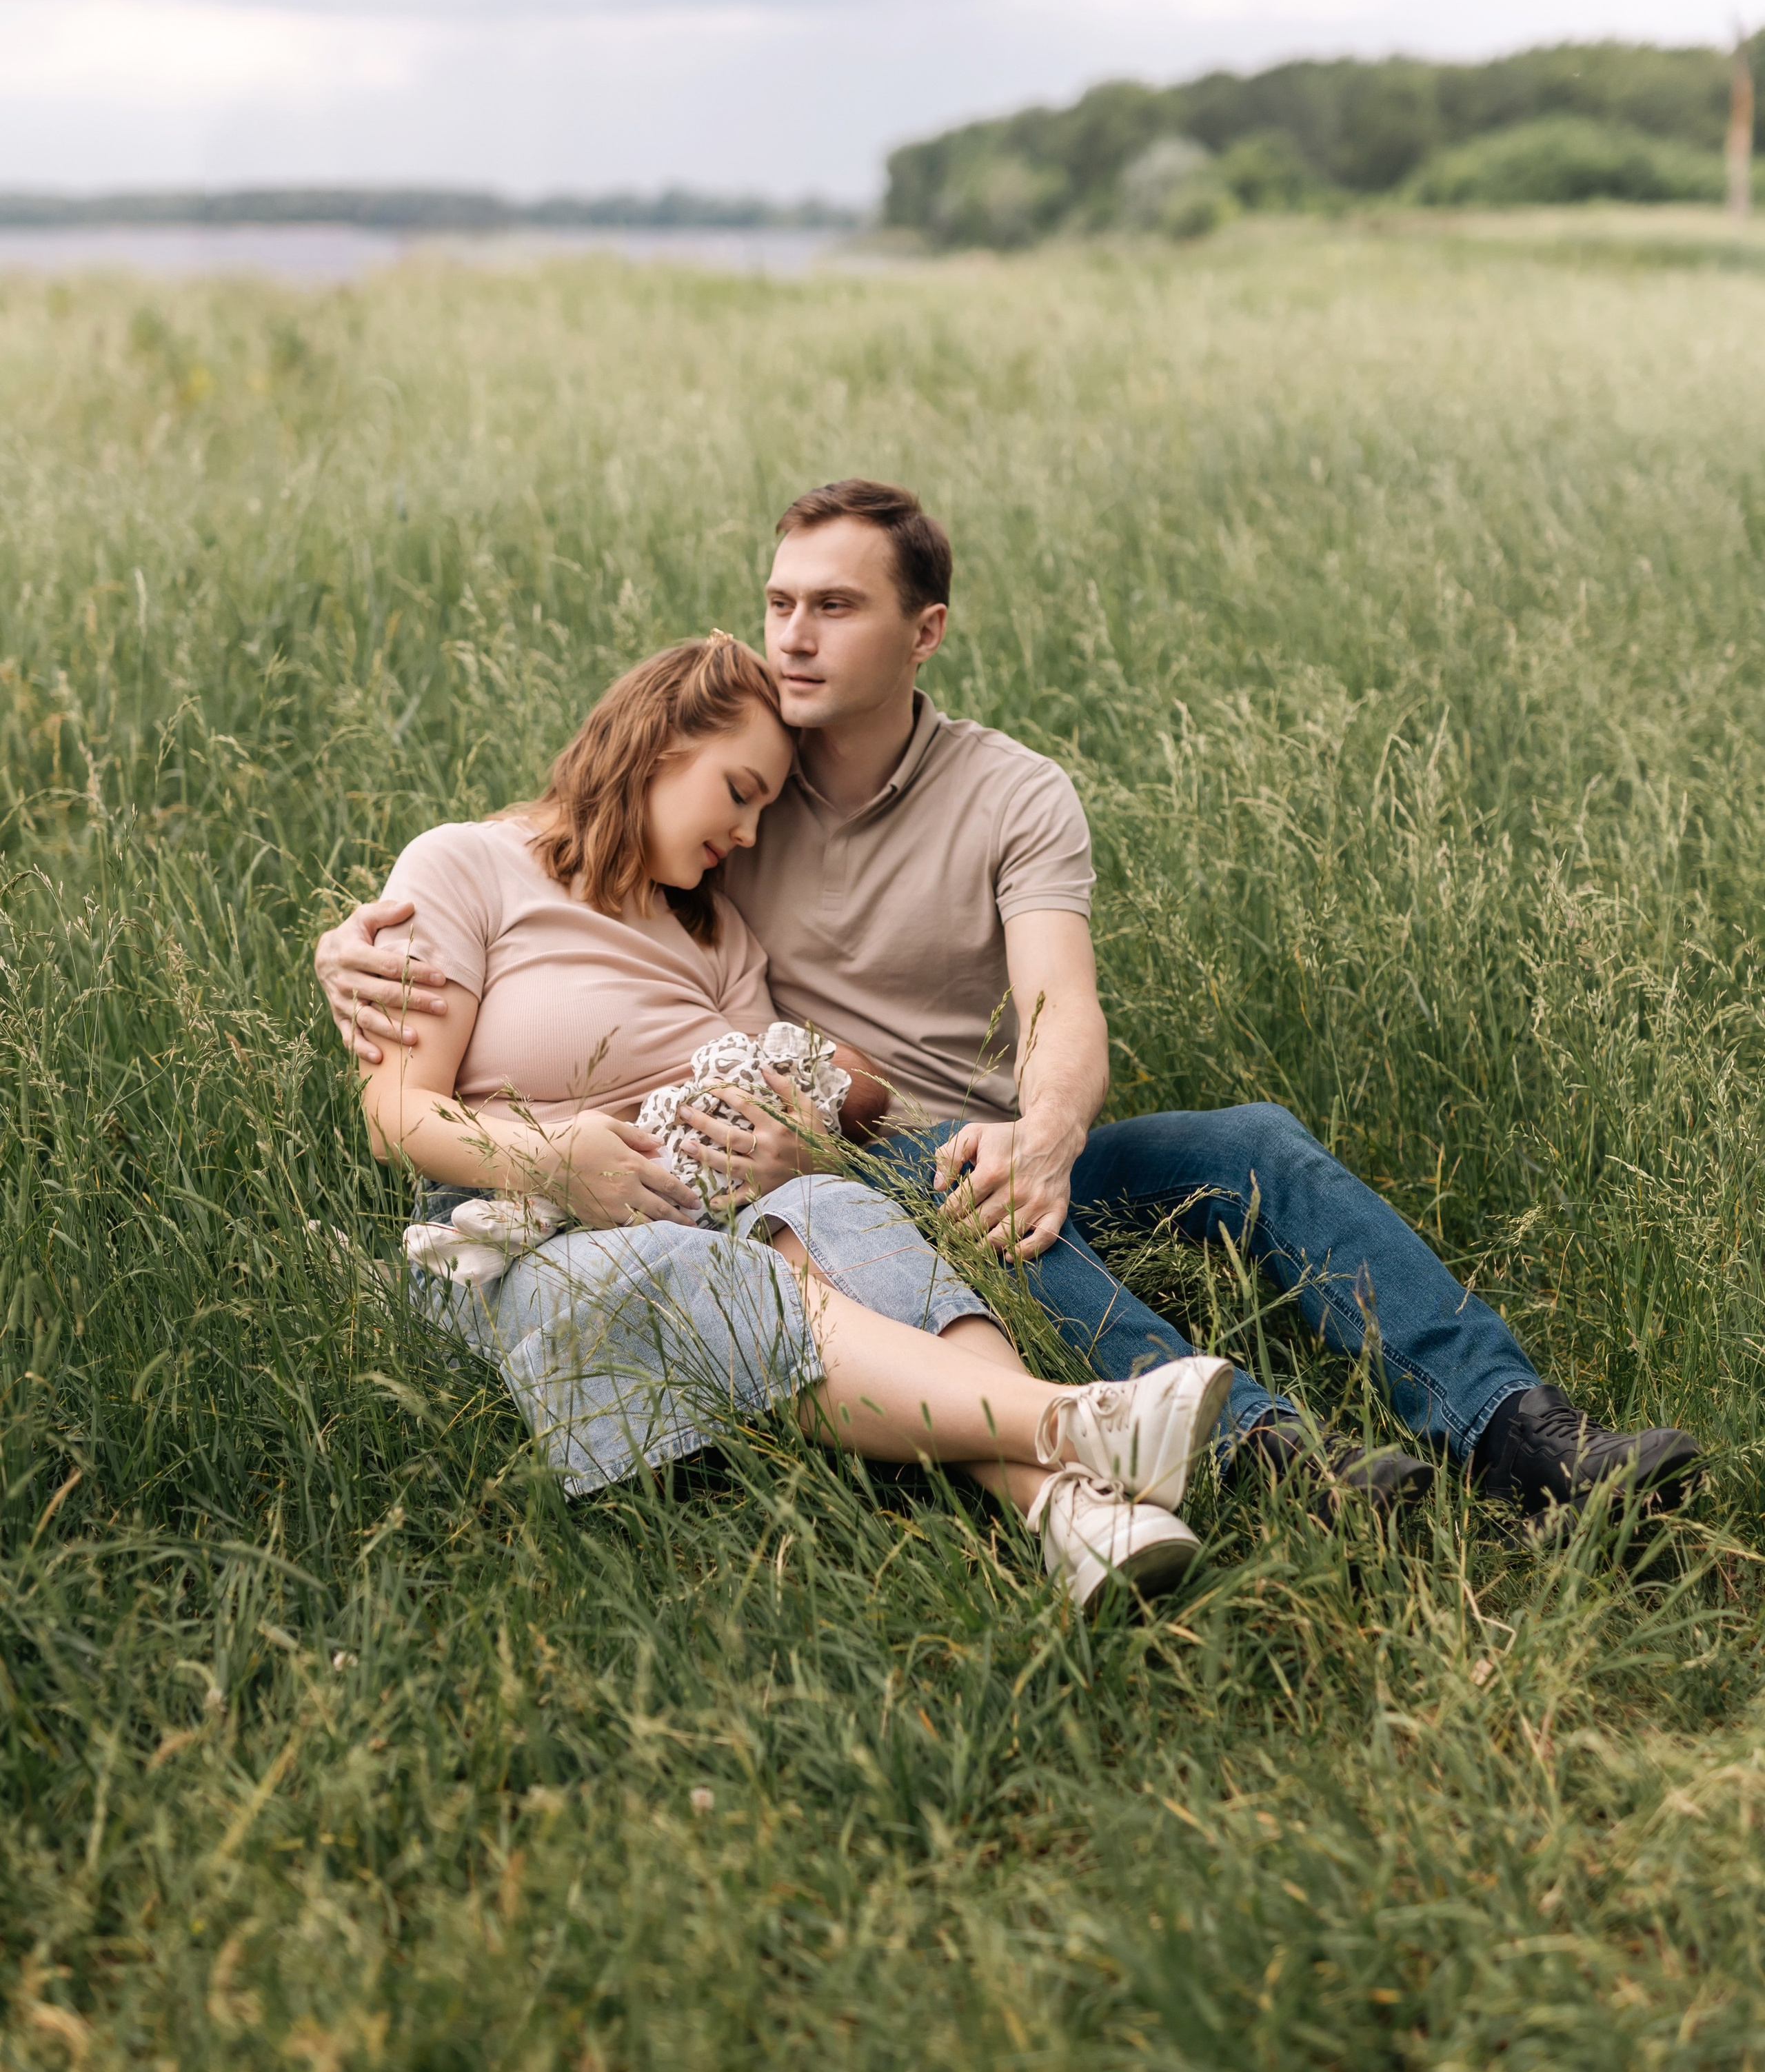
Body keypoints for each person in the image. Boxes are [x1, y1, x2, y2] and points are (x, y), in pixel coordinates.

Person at [319, 483, 1702, 1536]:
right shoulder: (734, 789)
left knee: (1251, 1144)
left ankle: (1521, 1434)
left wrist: (1043, 1129)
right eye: (779, 602)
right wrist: (357, 947)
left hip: (977, 1138)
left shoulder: (1007, 792)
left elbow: (1060, 1004)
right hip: (838, 1151)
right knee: (948, 1168)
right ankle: (1258, 1457)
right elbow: (563, 851)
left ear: (923, 633)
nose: (792, 637)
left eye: (835, 608)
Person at [356, 628, 1238, 1613]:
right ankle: (1077, 1424)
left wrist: (797, 1135)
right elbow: (394, 1114)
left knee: (841, 1209)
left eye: (766, 809)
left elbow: (813, 1074)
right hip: (526, 1234)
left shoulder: (717, 932)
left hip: (703, 1198)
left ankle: (1075, 1517)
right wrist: (555, 1156)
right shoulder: (465, 868)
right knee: (710, 1273)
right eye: (739, 792)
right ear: (657, 743)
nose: (746, 833)